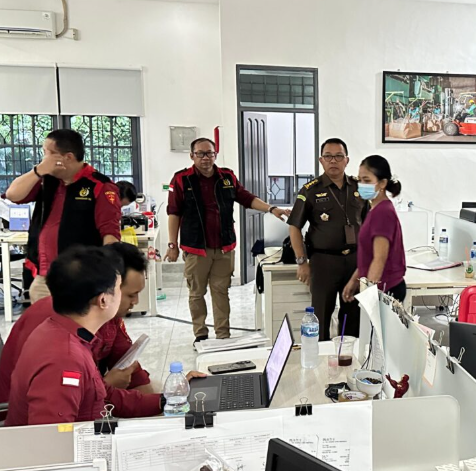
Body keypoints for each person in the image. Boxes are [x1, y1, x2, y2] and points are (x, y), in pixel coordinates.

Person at [5, 247, 182, 426]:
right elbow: (52, 441)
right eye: (119, 290)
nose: (133, 301)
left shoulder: (71, 335)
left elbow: (107, 395)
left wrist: (169, 400)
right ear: (103, 300)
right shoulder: (65, 359)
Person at [0, 242, 156, 405]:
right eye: (130, 294)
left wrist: (163, 403)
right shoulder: (61, 336)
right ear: (107, 292)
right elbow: (55, 423)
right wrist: (105, 386)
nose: (136, 302)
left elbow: (125, 367)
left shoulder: (99, 315)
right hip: (21, 417)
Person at [165, 138, 290, 344]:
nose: (206, 158)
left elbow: (246, 198)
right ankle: (201, 334)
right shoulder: (181, 179)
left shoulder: (227, 176)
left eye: (210, 153)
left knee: (221, 291)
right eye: (200, 154)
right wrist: (172, 245)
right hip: (196, 248)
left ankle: (223, 334)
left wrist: (271, 208)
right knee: (196, 293)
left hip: (224, 247)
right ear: (192, 156)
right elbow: (174, 213)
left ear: (215, 154)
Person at [5, 129, 122, 303]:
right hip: (43, 277)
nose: (44, 158)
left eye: (49, 153)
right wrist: (38, 171)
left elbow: (109, 233)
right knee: (46, 326)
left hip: (79, 277)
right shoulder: (46, 180)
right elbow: (13, 195)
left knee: (75, 328)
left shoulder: (99, 185)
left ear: (67, 157)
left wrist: (111, 276)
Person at [288, 138, 364, 341]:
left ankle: (348, 363)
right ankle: (320, 364)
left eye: (338, 156)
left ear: (346, 160)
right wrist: (302, 261)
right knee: (320, 317)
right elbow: (294, 226)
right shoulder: (310, 190)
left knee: (353, 317)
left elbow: (372, 223)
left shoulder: (360, 187)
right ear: (321, 160)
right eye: (328, 156)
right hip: (324, 262)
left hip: (355, 262)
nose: (333, 161)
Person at [342, 155, 406, 304]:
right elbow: (368, 255)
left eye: (367, 180)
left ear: (382, 183)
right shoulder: (375, 209)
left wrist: (369, 294)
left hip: (385, 289)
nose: (361, 184)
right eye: (360, 180)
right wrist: (354, 280)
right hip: (378, 286)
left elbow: (379, 258)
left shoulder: (383, 212)